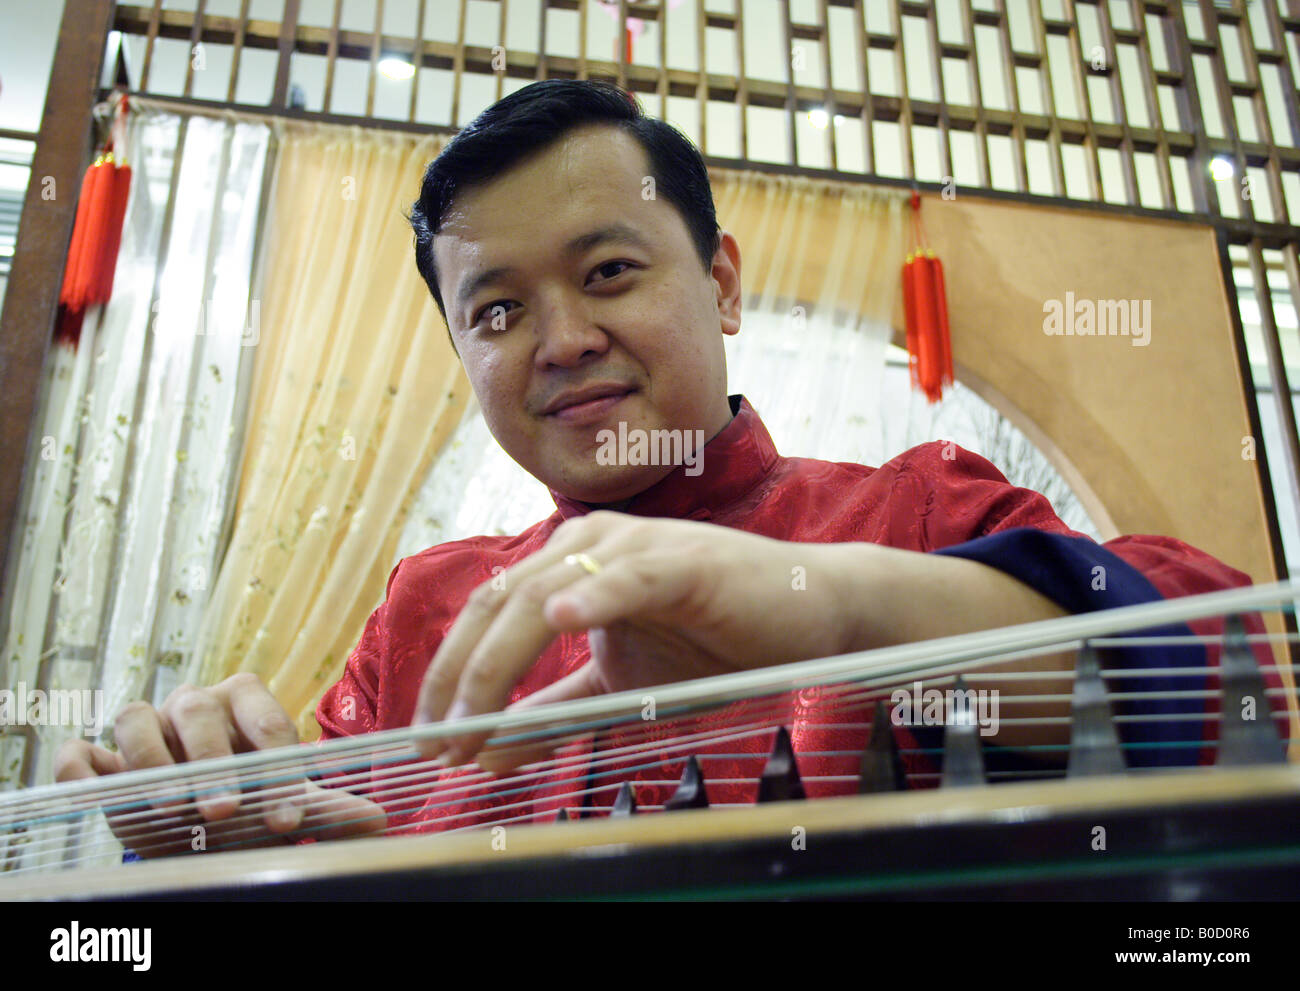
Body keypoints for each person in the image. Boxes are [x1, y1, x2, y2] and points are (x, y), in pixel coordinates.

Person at [55, 80, 1287, 853]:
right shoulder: (425, 607)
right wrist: (231, 817)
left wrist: (839, 608)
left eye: (608, 272)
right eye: (494, 313)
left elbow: (1229, 690)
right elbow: (325, 817)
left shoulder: (911, 509)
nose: (563, 340)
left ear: (723, 281)